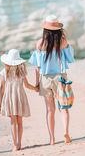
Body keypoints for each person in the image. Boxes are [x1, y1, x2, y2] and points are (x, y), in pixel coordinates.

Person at [29, 15, 75, 145]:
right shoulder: (62, 41)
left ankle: (52, 139)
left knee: (50, 110)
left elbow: (37, 67)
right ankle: (66, 132)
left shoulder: (40, 43)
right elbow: (70, 59)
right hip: (60, 77)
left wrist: (37, 83)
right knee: (64, 108)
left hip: (46, 79)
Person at [0, 49, 39, 151]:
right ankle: (20, 143)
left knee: (13, 121)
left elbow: (2, 87)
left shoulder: (5, 71)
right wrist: (35, 88)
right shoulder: (21, 71)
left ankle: (15, 145)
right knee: (20, 121)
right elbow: (27, 85)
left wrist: (0, 100)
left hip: (9, 96)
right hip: (20, 96)